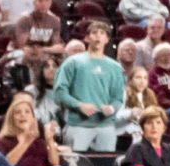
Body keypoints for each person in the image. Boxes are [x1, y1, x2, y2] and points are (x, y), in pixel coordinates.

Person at [52, 20, 128, 153]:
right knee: (74, 165)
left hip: (106, 126)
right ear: (87, 38)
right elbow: (59, 93)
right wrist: (79, 105)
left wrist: (112, 108)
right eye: (94, 33)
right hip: (78, 125)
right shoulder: (73, 62)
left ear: (107, 39)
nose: (98, 36)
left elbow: (118, 98)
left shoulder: (115, 67)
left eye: (102, 33)